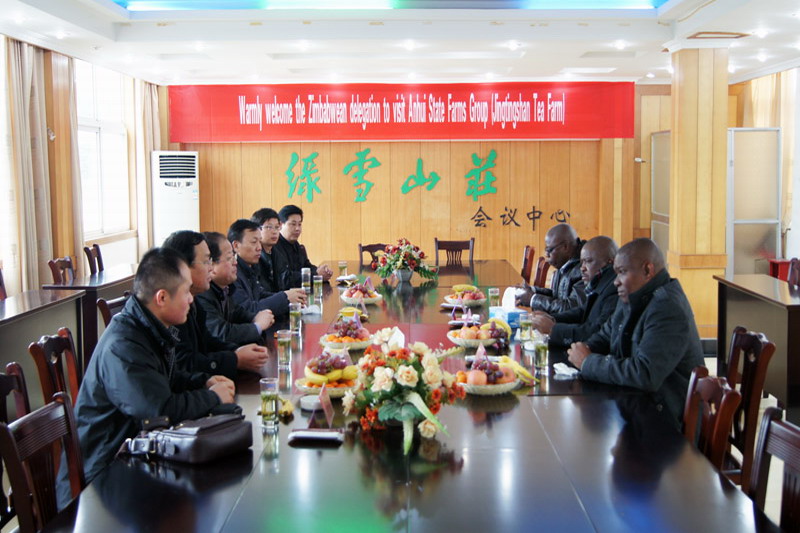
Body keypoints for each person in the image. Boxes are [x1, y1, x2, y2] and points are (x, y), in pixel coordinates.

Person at [58, 247, 236, 505]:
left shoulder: (148, 327)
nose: (191, 299)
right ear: (161, 297)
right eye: (186, 292)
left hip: (136, 455)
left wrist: (203, 381)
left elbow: (165, 380)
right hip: (102, 479)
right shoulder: (124, 345)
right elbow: (158, 411)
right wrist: (211, 398)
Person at [567, 238, 704, 427]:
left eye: (622, 272)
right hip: (636, 405)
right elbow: (606, 334)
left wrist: (588, 362)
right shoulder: (634, 294)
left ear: (647, 270)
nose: (616, 282)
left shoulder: (667, 307)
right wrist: (584, 349)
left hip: (665, 422)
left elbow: (645, 373)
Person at [163, 231, 268, 378]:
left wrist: (237, 352)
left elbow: (208, 341)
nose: (211, 268)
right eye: (206, 262)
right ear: (182, 267)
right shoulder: (174, 307)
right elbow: (184, 363)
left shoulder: (193, 300)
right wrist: (235, 359)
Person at [531, 236, 619, 347]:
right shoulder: (601, 283)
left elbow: (596, 332)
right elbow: (582, 312)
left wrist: (553, 329)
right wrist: (552, 318)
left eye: (588, 261)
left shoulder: (615, 290)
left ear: (610, 262)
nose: (582, 268)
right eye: (582, 262)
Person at [196, 231, 275, 346]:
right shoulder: (202, 294)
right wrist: (257, 326)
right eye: (229, 258)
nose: (235, 262)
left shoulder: (224, 288)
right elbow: (222, 333)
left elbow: (237, 313)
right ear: (212, 265)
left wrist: (257, 317)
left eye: (234, 256)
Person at [229, 218, 306, 316]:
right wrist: (285, 297)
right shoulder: (232, 274)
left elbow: (260, 295)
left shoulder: (251, 267)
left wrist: (290, 296)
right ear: (236, 246)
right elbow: (248, 309)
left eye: (259, 242)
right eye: (254, 242)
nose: (259, 248)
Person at [517, 223, 586, 314]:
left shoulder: (584, 270)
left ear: (565, 247)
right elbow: (557, 295)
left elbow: (570, 308)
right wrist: (533, 290)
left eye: (549, 250)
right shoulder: (565, 262)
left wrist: (533, 299)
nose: (546, 255)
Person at [274, 204, 333, 288]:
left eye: (299, 224)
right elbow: (285, 278)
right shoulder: (275, 247)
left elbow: (307, 266)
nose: (297, 228)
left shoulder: (297, 245)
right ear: (280, 225)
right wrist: (316, 275)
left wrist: (321, 271)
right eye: (293, 224)